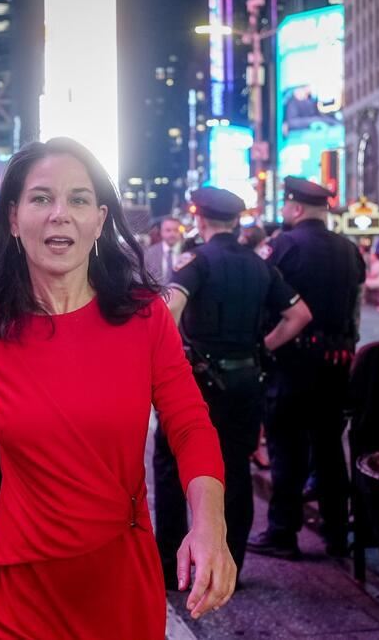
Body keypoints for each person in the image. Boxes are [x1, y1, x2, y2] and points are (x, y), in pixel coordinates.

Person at [0, 137, 235, 639]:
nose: (59, 214)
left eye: (77, 199)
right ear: (12, 218)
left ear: (99, 219)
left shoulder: (145, 316)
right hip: (21, 582)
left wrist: (209, 526)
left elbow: (189, 425)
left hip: (121, 576)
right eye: (41, 197)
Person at [155, 186, 312, 587]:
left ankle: (172, 566)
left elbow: (169, 310)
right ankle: (230, 567)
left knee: (174, 467)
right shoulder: (260, 265)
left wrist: (166, 362)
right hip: (247, 380)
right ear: (236, 220)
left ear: (201, 219)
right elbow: (298, 314)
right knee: (235, 470)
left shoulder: (197, 261)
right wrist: (262, 346)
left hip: (199, 383)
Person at [247, 176, 365, 560]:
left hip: (291, 364)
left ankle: (283, 532)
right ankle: (336, 533)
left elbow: (262, 298)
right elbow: (355, 307)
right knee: (330, 448)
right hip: (335, 365)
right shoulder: (350, 250)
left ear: (296, 208)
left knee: (287, 450)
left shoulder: (280, 246)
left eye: (285, 206)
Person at [144, 216, 183, 284]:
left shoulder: (189, 252)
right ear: (161, 232)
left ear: (180, 232)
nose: (172, 234)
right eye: (168, 230)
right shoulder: (150, 253)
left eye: (176, 230)